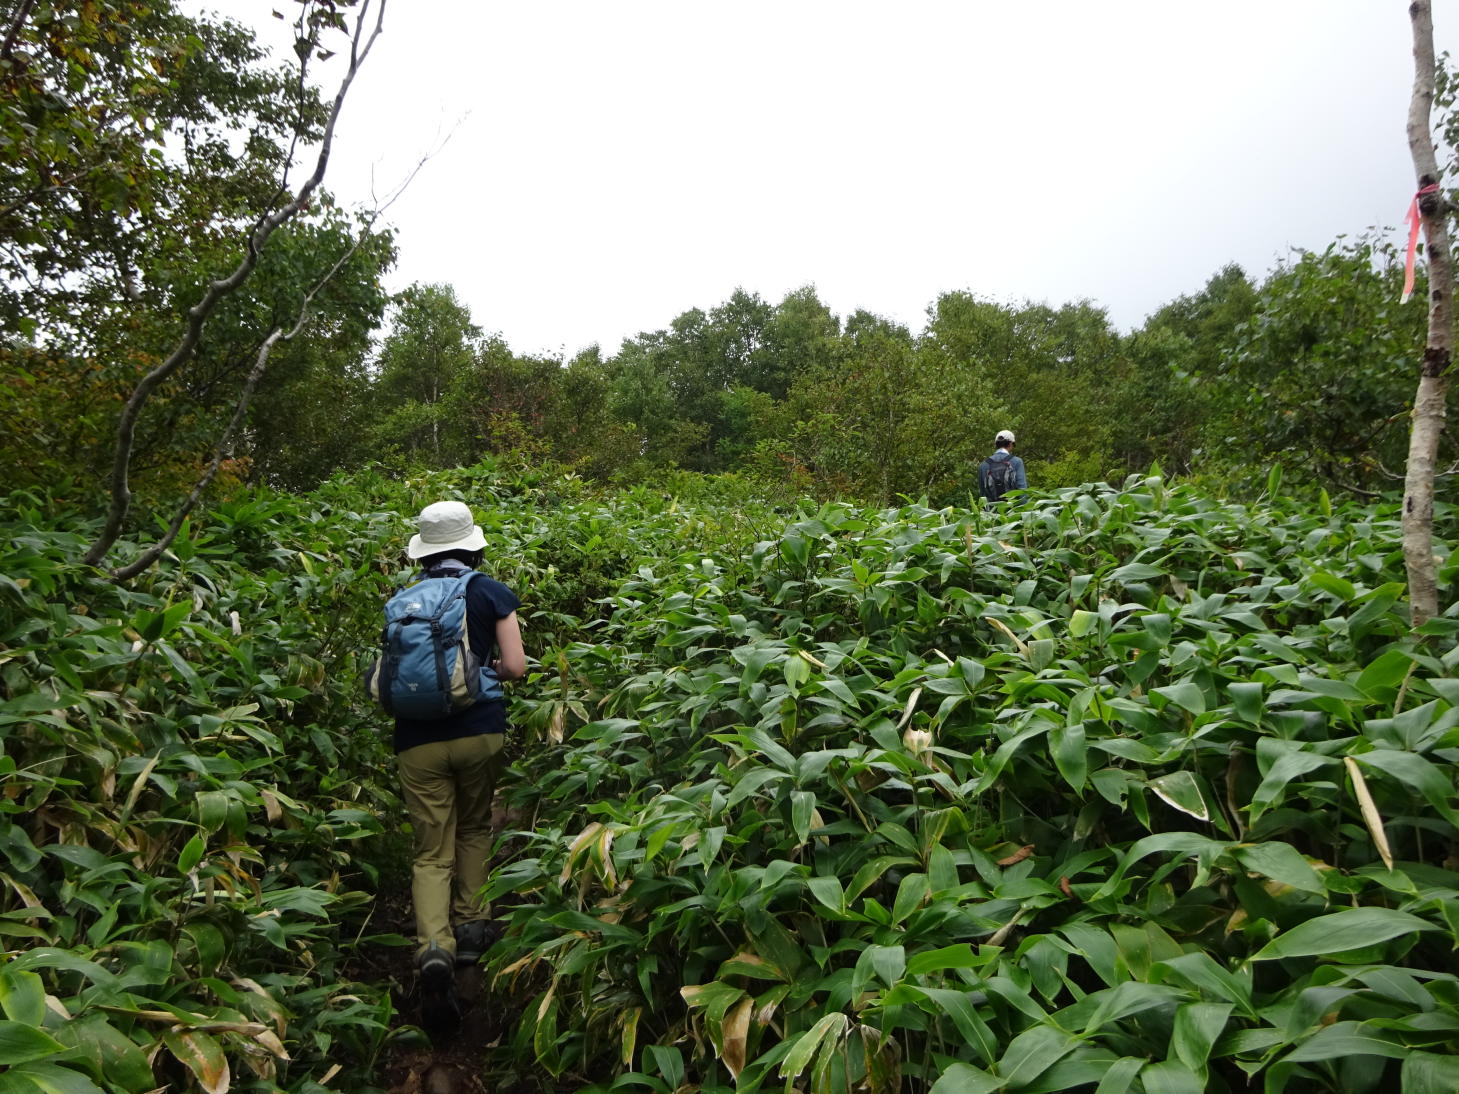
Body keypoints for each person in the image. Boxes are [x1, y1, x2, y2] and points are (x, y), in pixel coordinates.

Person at [393, 500, 526, 1030]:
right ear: (472, 544)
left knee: (430, 850)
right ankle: (473, 927)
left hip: (416, 741)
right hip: (479, 733)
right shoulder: (489, 591)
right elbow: (514, 666)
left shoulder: (403, 599)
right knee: (474, 826)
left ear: (423, 553)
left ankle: (433, 947)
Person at [978, 428, 1027, 504]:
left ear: (996, 444)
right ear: (1011, 444)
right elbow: (1022, 490)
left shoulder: (984, 465)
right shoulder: (1017, 462)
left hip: (991, 512)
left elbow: (982, 494)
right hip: (1012, 510)